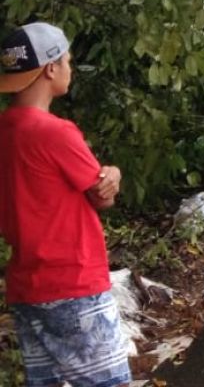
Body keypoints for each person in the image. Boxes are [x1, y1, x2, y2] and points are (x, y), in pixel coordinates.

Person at [0, 22, 131, 387]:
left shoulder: (5, 131)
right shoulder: (55, 132)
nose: (70, 69)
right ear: (50, 68)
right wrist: (114, 174)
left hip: (27, 288)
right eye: (68, 61)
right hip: (73, 284)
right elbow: (102, 196)